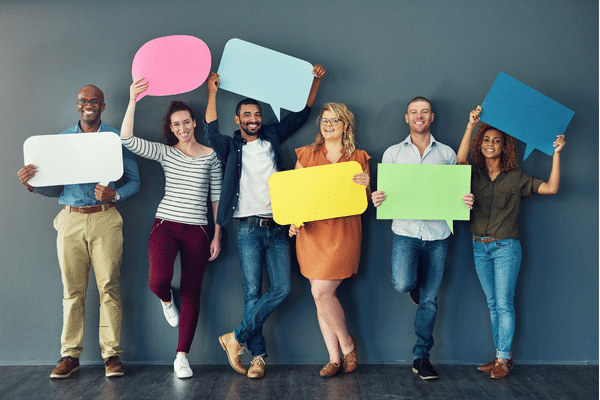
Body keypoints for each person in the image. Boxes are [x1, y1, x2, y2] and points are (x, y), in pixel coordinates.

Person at [203, 64, 326, 379]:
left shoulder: (272, 135)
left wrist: (315, 81)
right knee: (251, 293)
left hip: (279, 227)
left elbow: (300, 114)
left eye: (257, 115)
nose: (254, 120)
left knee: (283, 288)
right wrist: (212, 92)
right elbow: (210, 132)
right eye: (248, 116)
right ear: (238, 120)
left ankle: (236, 337)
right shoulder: (231, 146)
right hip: (246, 228)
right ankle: (258, 358)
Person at [17, 85, 141, 378]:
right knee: (72, 291)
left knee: (109, 287)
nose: (89, 105)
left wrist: (115, 195)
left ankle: (111, 355)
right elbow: (55, 188)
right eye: (84, 101)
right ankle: (69, 356)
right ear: (77, 106)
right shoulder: (61, 141)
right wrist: (32, 185)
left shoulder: (116, 138)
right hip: (70, 220)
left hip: (105, 219)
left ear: (103, 106)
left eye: (94, 101)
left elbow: (136, 181)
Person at [119, 79, 223, 379]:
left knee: (192, 293)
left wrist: (217, 235)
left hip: (198, 231)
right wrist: (132, 100)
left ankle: (181, 357)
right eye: (176, 124)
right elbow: (127, 139)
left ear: (194, 122)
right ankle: (166, 299)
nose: (182, 128)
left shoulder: (211, 155)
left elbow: (216, 197)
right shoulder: (167, 153)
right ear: (172, 128)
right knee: (157, 280)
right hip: (165, 225)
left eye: (186, 122)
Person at [458, 106, 565, 379]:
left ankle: (503, 359)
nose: (490, 144)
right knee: (493, 303)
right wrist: (471, 126)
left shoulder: (517, 177)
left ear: (505, 147)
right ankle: (499, 356)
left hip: (506, 248)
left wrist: (556, 155)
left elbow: (551, 188)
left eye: (496, 141)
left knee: (504, 302)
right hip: (478, 246)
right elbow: (458, 163)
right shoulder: (475, 174)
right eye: (486, 140)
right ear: (480, 145)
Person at [371, 97, 457, 380]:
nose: (419, 116)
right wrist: (378, 197)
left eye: (424, 112)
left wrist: (464, 199)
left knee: (430, 300)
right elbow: (385, 194)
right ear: (406, 118)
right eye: (413, 112)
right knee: (405, 283)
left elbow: (453, 194)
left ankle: (421, 356)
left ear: (432, 117)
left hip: (438, 234)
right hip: (406, 232)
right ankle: (414, 287)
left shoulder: (446, 154)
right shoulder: (393, 153)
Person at [288, 103, 370, 377]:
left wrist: (365, 186)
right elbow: (295, 195)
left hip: (344, 231)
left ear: (345, 124)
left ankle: (347, 344)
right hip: (312, 232)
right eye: (324, 121)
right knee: (319, 294)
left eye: (334, 120)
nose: (328, 125)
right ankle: (335, 358)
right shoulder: (307, 154)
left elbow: (366, 201)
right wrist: (294, 220)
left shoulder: (358, 156)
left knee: (321, 292)